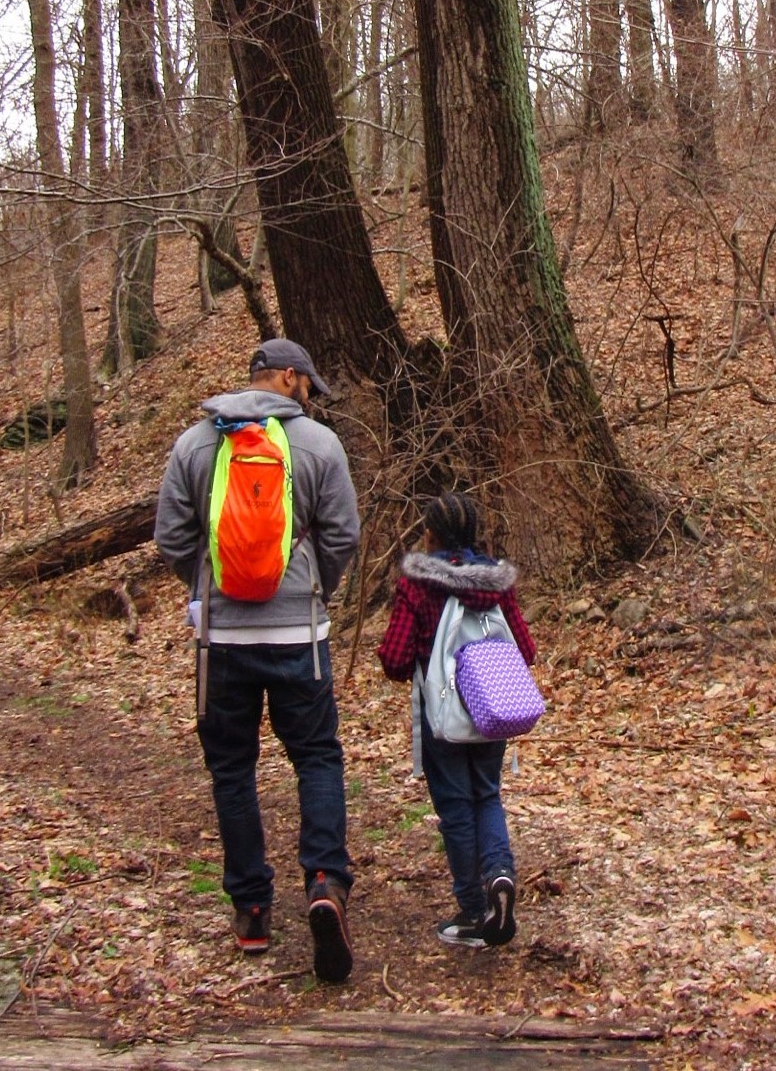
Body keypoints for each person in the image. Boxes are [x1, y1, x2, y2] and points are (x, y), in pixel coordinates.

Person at [155, 338, 359, 982]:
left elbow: (171, 536)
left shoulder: (195, 443)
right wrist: (310, 585)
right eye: (308, 385)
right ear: (289, 379)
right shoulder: (321, 446)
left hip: (223, 643)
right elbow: (342, 535)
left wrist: (208, 587)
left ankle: (250, 910)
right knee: (318, 757)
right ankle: (325, 881)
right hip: (299, 633)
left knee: (232, 769)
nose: (311, 396)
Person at [377, 492, 536, 949]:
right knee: (486, 795)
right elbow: (524, 650)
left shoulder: (417, 584)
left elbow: (395, 656)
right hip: (492, 708)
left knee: (455, 808)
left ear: (431, 534)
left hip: (442, 713)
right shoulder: (495, 583)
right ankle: (500, 876)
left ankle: (472, 910)